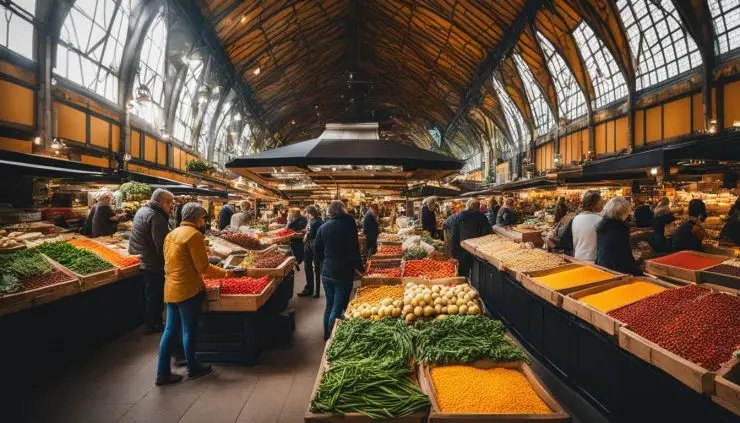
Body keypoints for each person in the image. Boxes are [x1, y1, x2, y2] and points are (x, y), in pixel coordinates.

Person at [156, 202, 237, 385]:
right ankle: (193, 367)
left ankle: (162, 372)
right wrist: (227, 274)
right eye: (202, 218)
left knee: (169, 330)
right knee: (189, 329)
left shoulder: (172, 234)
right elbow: (204, 267)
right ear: (196, 217)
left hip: (170, 287)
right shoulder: (194, 235)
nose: (203, 221)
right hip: (187, 289)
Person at [314, 200, 364, 340]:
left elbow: (317, 251)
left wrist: (326, 263)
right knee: (338, 306)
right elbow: (354, 249)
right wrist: (360, 268)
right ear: (343, 210)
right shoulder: (348, 223)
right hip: (343, 273)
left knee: (329, 305)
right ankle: (332, 339)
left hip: (327, 272)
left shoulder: (323, 228)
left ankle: (326, 335)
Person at [129, 188, 175, 333]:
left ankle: (151, 321)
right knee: (155, 294)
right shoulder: (156, 216)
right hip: (152, 262)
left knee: (150, 293)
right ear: (162, 202)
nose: (171, 206)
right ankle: (154, 324)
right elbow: (162, 246)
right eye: (170, 203)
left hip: (141, 257)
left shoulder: (143, 210)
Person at [596, 197, 642, 275]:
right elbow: (625, 254)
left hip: (602, 265)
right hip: (616, 270)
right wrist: (637, 272)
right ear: (622, 213)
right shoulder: (620, 229)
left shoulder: (602, 225)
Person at [452, 199, 493, 277]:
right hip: (478, 249)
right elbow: (487, 231)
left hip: (463, 248)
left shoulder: (459, 216)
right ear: (478, 207)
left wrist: (454, 252)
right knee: (477, 272)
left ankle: (464, 283)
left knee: (463, 271)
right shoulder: (482, 216)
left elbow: (455, 234)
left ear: (467, 206)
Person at [561, 190, 603, 262]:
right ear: (594, 204)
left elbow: (565, 242)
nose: (602, 205)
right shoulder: (601, 220)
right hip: (595, 261)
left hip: (578, 258)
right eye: (601, 203)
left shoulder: (574, 219)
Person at [299, 206, 324, 298]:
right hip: (318, 245)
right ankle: (316, 291)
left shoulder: (312, 222)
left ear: (311, 213)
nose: (305, 215)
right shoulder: (320, 220)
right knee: (317, 268)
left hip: (311, 245)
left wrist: (303, 239)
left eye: (306, 213)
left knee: (308, 267)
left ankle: (310, 289)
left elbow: (307, 236)